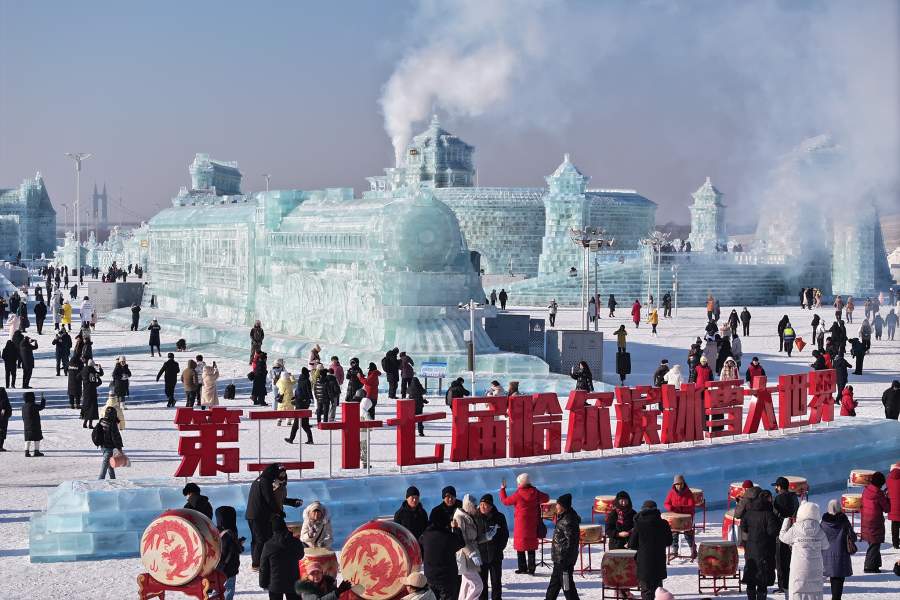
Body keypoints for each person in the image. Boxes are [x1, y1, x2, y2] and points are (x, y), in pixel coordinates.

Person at [247, 463, 303, 570]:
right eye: (279, 473)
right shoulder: (266, 482)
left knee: (258, 539)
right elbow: (270, 499)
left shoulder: (261, 480)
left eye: (283, 473)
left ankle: (257, 562)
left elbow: (278, 499)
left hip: (254, 514)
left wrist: (292, 502)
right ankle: (258, 563)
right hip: (261, 515)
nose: (282, 476)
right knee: (261, 539)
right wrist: (278, 512)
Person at [500, 473, 549, 575]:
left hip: (520, 524)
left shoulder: (518, 494)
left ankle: (522, 568)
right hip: (533, 523)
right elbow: (546, 498)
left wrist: (502, 490)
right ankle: (531, 569)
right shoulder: (535, 492)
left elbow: (505, 501)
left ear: (520, 483)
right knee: (531, 547)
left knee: (520, 547)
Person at [779, 502, 829, 598]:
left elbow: (783, 538)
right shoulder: (819, 529)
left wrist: (786, 521)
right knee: (815, 595)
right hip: (815, 570)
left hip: (798, 570)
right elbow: (826, 546)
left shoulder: (796, 528)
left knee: (798, 594)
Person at [628, 500, 672, 600]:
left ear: (643, 510)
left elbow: (633, 544)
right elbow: (669, 542)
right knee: (658, 590)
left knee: (646, 590)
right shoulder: (664, 523)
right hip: (659, 561)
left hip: (644, 562)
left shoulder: (639, 524)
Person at [740, 489, 779, 600]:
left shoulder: (749, 513)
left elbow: (743, 527)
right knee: (762, 578)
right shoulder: (769, 515)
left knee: (751, 576)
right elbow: (773, 532)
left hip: (751, 549)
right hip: (765, 550)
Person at [420, 507, 465, 600]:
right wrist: (456, 529)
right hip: (447, 578)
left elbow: (420, 550)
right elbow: (461, 543)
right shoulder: (448, 536)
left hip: (430, 577)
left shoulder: (425, 536)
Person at [259, 515, 305, 600]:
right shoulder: (295, 542)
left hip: (274, 583)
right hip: (293, 582)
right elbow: (301, 555)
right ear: (285, 527)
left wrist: (263, 583)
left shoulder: (268, 545)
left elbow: (263, 566)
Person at [545, 493, 580, 600]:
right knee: (554, 585)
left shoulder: (568, 520)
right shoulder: (564, 517)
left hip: (563, 560)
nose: (556, 507)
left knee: (567, 587)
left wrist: (565, 560)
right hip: (559, 559)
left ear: (563, 506)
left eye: (558, 505)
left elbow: (572, 542)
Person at [475, 493, 508, 600]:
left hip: (495, 556)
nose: (483, 507)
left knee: (496, 582)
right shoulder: (475, 517)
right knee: (482, 583)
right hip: (481, 557)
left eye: (486, 505)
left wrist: (499, 549)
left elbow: (505, 535)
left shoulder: (499, 517)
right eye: (481, 504)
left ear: (491, 506)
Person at [821, 499, 855, 600]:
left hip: (827, 555)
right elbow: (853, 537)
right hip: (842, 554)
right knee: (839, 579)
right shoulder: (844, 521)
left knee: (833, 576)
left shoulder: (823, 523)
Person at [772, 476, 800, 592]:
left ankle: (783, 585)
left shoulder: (777, 499)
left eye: (776, 486)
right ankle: (791, 582)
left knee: (780, 560)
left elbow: (774, 515)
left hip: (780, 533)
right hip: (794, 531)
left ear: (779, 487)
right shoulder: (794, 498)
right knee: (791, 559)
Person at [454, 494, 484, 600]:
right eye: (475, 505)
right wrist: (471, 553)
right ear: (469, 505)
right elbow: (460, 539)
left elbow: (474, 538)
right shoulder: (459, 518)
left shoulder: (469, 517)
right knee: (478, 585)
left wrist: (487, 536)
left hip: (471, 555)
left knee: (466, 586)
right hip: (464, 556)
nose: (477, 508)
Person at [860, 471, 890, 572]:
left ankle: (875, 564)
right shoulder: (879, 493)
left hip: (866, 520)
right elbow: (886, 508)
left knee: (872, 543)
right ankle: (869, 566)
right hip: (875, 521)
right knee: (874, 544)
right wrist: (888, 498)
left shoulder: (866, 490)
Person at [663, 474, 696, 559]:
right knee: (674, 534)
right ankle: (675, 551)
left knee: (688, 535)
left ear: (683, 483)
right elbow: (666, 503)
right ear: (674, 485)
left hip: (686, 518)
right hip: (675, 518)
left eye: (680, 483)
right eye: (677, 484)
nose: (679, 486)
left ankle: (693, 549)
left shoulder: (688, 493)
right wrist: (671, 508)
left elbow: (691, 506)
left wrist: (681, 508)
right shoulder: (671, 492)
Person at [215, 505, 244, 600]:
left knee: (217, 588)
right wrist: (239, 545)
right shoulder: (231, 533)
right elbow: (234, 550)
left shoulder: (215, 531)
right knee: (229, 589)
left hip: (217, 568)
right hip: (230, 568)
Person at [92, 406, 123, 478]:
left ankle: (113, 479)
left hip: (102, 446)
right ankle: (100, 479)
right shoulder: (112, 424)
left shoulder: (102, 421)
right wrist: (119, 447)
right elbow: (115, 437)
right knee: (105, 465)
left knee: (109, 464)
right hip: (109, 447)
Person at [286, 367, 314, 445]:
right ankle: (309, 439)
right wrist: (310, 399)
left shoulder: (300, 380)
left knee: (299, 423)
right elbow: (308, 391)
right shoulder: (306, 381)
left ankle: (292, 439)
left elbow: (298, 390)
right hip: (303, 403)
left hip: (299, 403)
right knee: (303, 424)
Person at [21, 391, 46, 457]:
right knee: (37, 438)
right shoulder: (33, 405)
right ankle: (36, 451)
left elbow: (23, 416)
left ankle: (26, 451)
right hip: (35, 425)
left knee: (27, 439)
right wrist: (43, 399)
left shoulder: (24, 406)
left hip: (26, 425)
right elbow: (41, 407)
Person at [80, 360, 103, 429]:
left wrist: (84, 381)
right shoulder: (93, 371)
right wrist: (100, 368)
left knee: (86, 407)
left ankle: (84, 423)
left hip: (85, 391)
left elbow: (77, 377)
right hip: (92, 391)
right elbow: (101, 374)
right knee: (92, 408)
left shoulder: (83, 370)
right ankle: (90, 424)